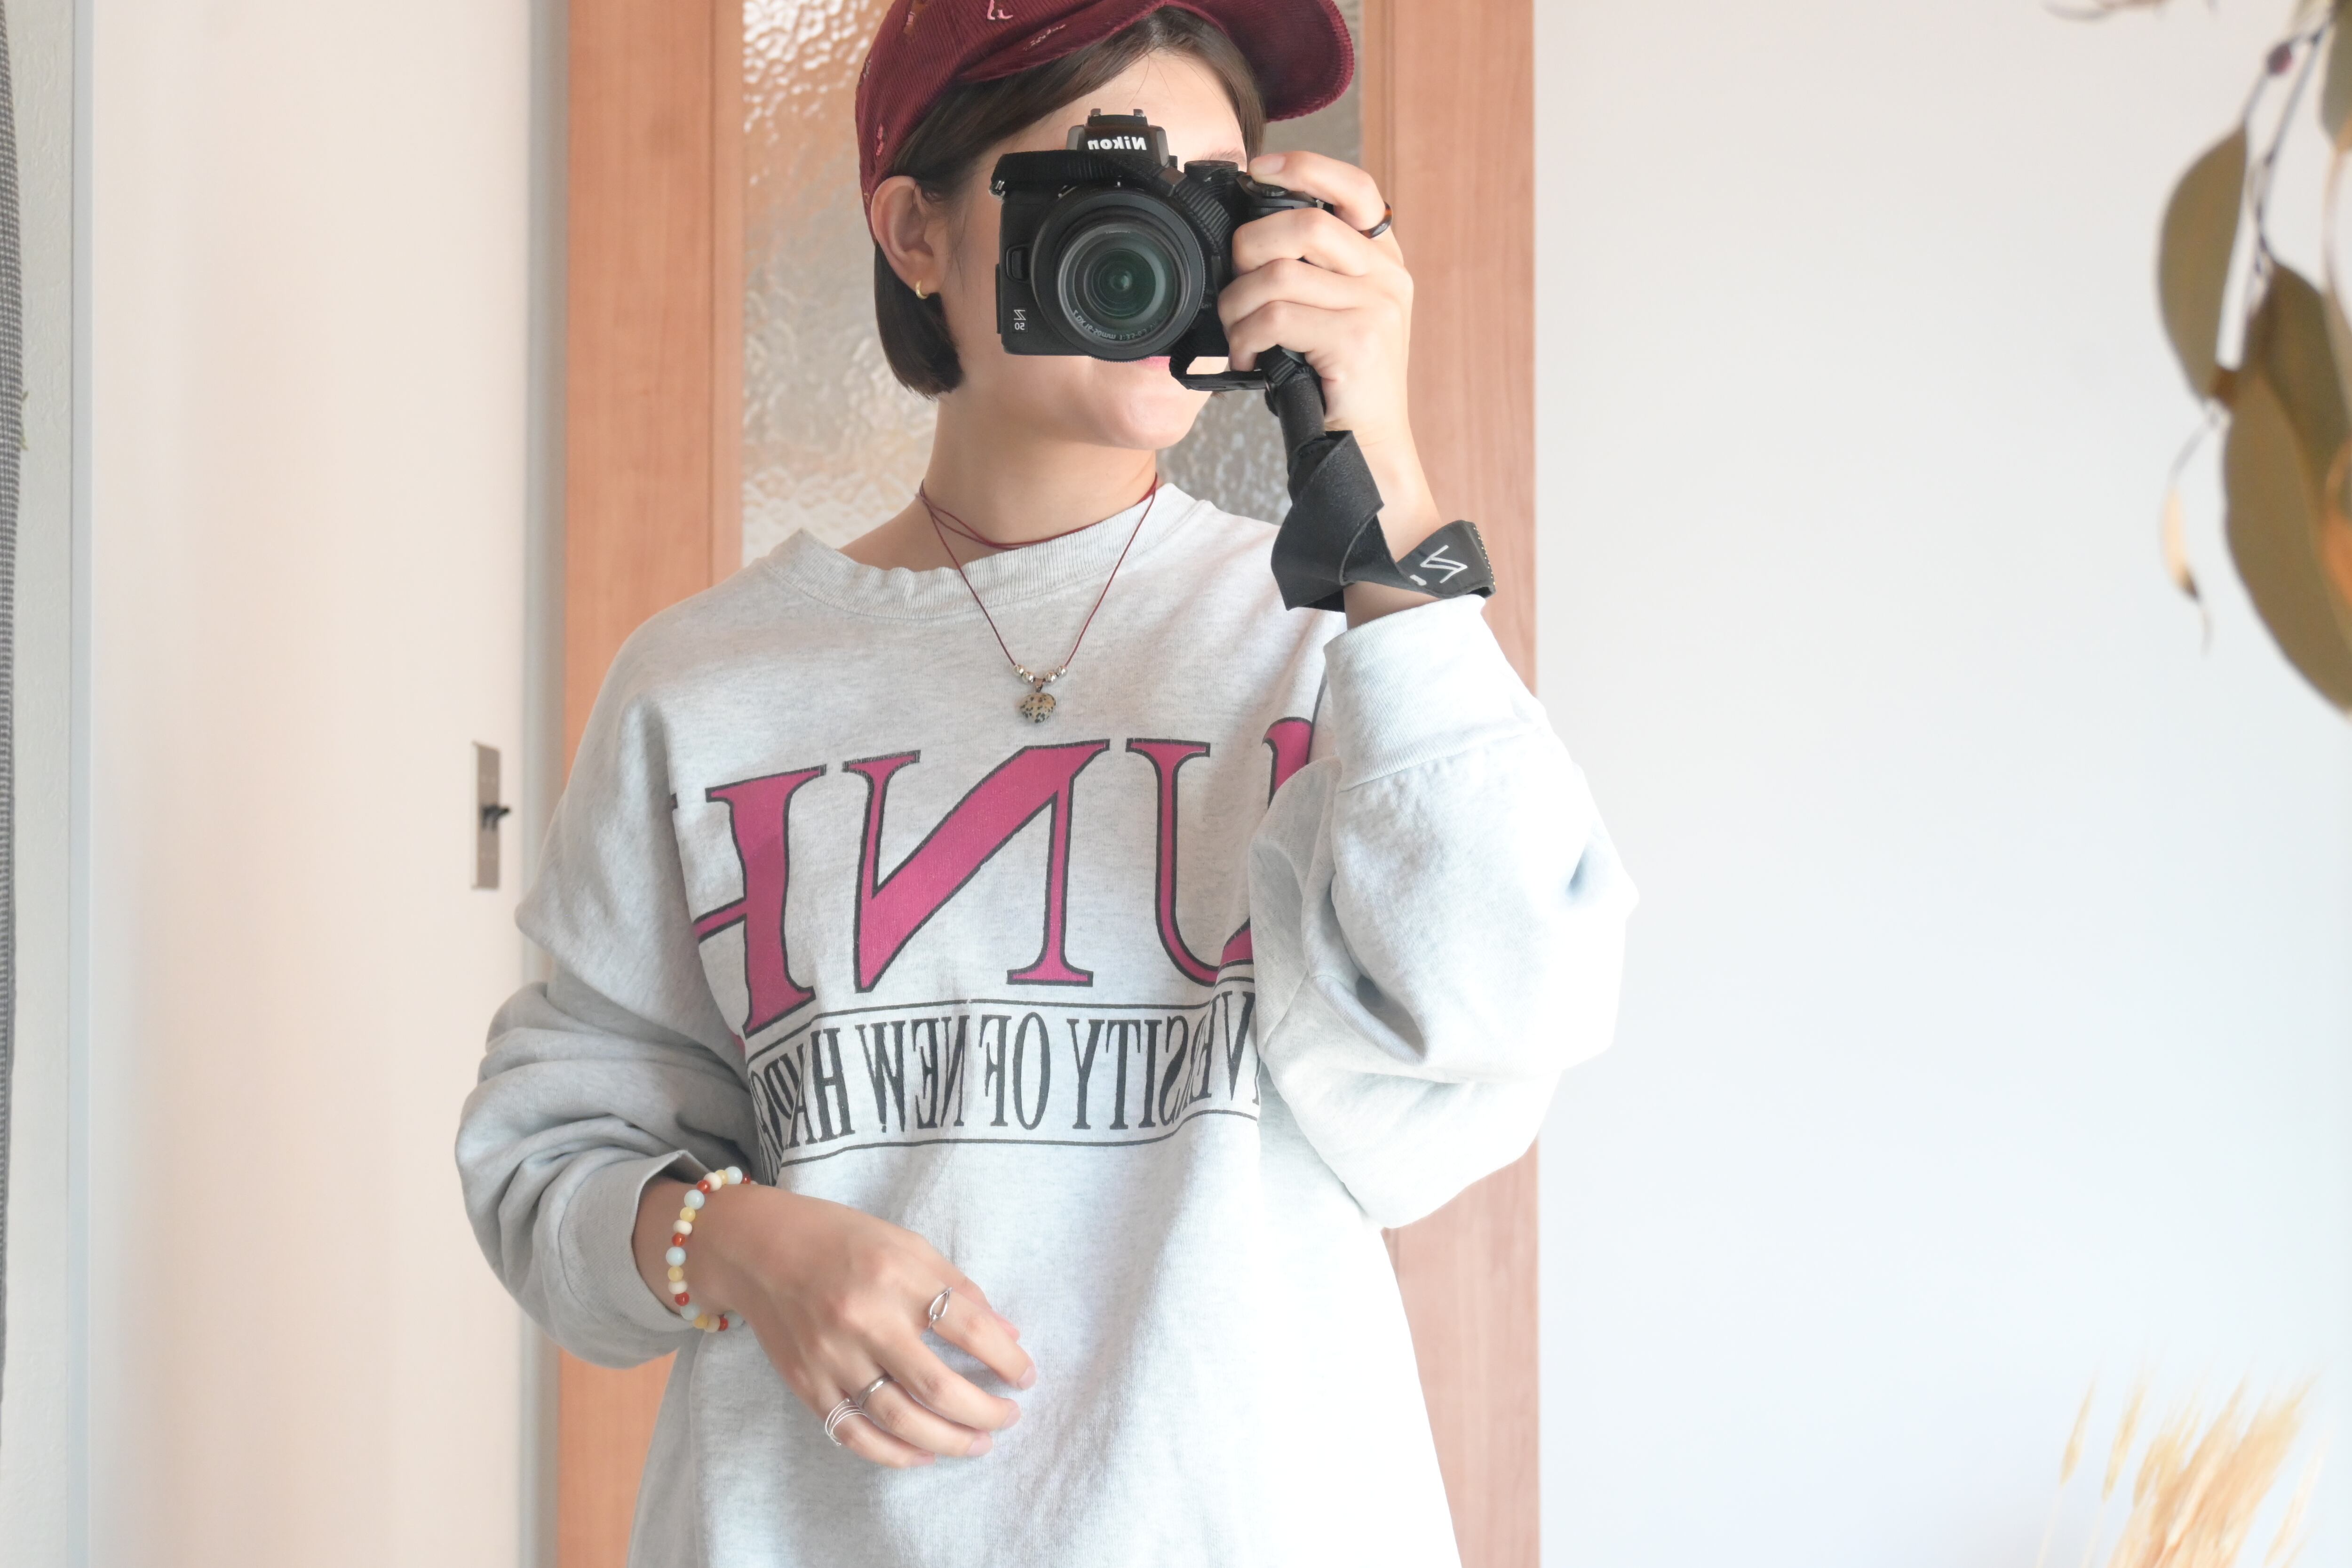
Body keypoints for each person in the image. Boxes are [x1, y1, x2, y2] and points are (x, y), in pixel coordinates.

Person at [456, 1, 1635, 1563]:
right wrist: (740, 1241)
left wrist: (1384, 473)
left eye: (1212, 198)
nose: (1167, 249)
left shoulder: (1349, 644)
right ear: (917, 232)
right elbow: (546, 1158)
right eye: (1098, 187)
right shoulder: (706, 681)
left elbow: (1502, 1027)